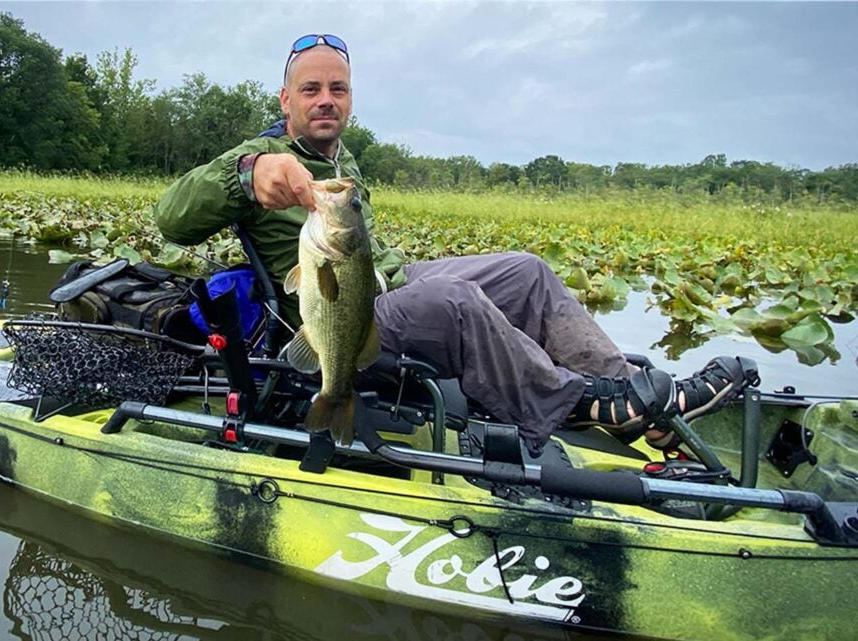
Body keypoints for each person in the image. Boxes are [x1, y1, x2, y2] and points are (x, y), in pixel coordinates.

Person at [154, 34, 758, 455]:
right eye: (310, 90)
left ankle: (628, 396)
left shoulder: (342, 160)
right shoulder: (258, 158)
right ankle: (566, 400)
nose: (325, 100)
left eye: (337, 89)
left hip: (385, 281)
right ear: (286, 100)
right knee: (452, 300)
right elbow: (171, 217)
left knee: (525, 271)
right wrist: (246, 174)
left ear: (351, 99)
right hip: (334, 316)